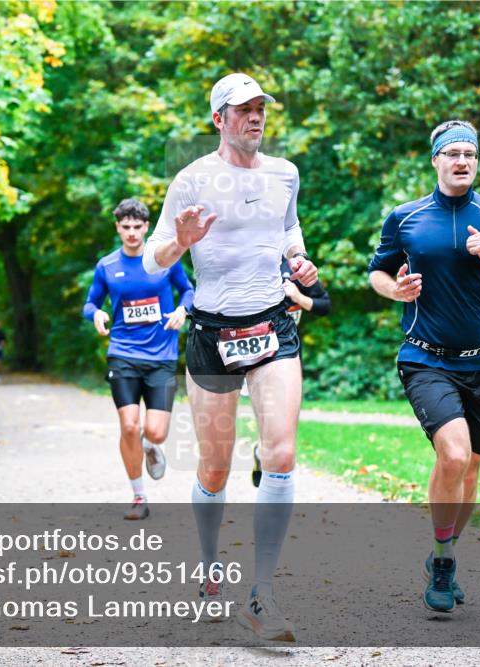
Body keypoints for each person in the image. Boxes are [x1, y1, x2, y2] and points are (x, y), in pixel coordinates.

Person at [143, 72, 318, 642]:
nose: (256, 117)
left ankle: (262, 593)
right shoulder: (192, 180)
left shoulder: (284, 174)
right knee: (216, 466)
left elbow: (289, 230)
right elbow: (153, 261)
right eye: (243, 110)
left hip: (273, 325)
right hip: (214, 331)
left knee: (282, 452)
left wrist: (299, 261)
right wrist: (181, 243)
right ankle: (209, 560)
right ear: (218, 119)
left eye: (260, 108)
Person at [367, 120, 480, 613]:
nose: (462, 160)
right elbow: (378, 271)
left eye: (470, 153)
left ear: (477, 161)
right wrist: (394, 289)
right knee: (454, 455)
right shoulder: (405, 217)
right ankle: (443, 563)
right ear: (436, 161)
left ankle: (442, 550)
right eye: (452, 153)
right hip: (424, 357)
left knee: (470, 473)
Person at [83, 198, 195, 521]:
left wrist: (181, 310)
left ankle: (150, 445)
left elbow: (189, 291)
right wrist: (97, 314)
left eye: (137, 227)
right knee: (129, 425)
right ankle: (138, 495)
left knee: (156, 432)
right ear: (117, 228)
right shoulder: (107, 266)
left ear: (147, 227)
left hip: (162, 355)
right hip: (124, 354)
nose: (131, 233)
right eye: (125, 227)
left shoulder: (164, 260)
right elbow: (90, 303)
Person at [250, 257, 331, 486]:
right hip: (256, 349)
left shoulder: (295, 266)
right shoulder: (248, 258)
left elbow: (325, 305)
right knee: (266, 413)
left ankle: (269, 455)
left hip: (289, 351)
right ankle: (264, 450)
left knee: (285, 416)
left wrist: (297, 297)